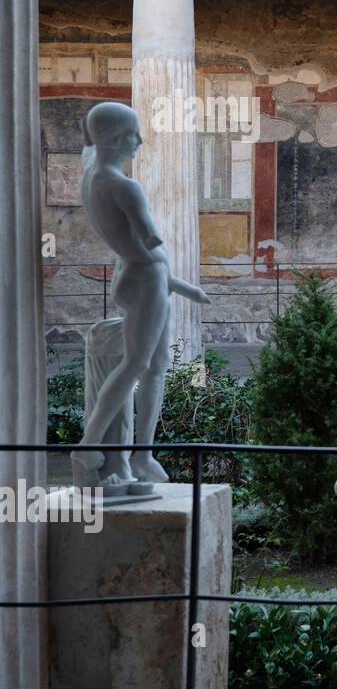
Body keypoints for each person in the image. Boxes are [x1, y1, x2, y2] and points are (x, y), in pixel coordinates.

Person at [77, 101, 210, 486]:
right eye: (134, 133)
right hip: (146, 278)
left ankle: (142, 455)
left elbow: (138, 248)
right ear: (117, 138)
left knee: (155, 365)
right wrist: (173, 281)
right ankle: (88, 446)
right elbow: (152, 240)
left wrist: (183, 287)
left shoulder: (92, 175)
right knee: (137, 364)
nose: (140, 140)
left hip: (138, 274)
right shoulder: (123, 185)